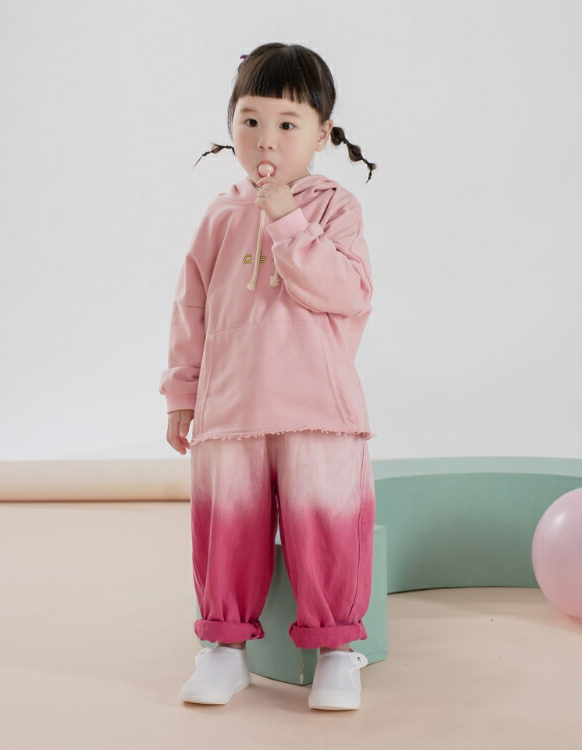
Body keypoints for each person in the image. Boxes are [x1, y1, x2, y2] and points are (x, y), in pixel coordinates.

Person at [158, 43, 378, 711]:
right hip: (230, 410)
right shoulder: (220, 214)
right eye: (250, 121)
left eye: (287, 123)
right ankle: (224, 651)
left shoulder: (334, 207)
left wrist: (286, 217)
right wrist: (182, 394)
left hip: (317, 410)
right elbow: (191, 310)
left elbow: (347, 292)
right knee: (226, 533)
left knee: (327, 530)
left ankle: (336, 652)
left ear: (323, 133)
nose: (266, 139)